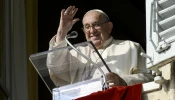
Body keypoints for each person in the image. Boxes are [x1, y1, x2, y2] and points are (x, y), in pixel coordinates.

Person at [46, 5, 154, 87]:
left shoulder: (130, 47)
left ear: (109, 27)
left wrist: (123, 81)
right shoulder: (76, 52)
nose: (92, 31)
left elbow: (149, 77)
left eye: (96, 25)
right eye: (87, 27)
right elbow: (56, 68)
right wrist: (61, 32)